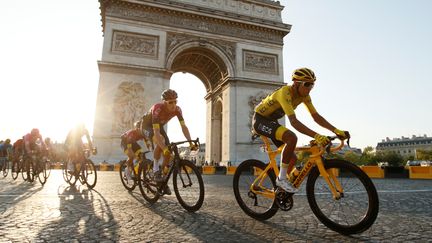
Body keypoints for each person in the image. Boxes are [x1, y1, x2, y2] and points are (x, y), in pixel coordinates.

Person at [252, 67, 350, 193]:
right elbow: (294, 122)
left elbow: (316, 117)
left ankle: (279, 189)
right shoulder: (284, 92)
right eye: (307, 84)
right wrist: (317, 136)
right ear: (296, 84)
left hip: (272, 122)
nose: (309, 88)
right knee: (291, 137)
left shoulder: (305, 96)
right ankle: (281, 179)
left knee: (292, 158)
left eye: (312, 85)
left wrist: (336, 130)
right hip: (260, 120)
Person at [140, 89, 197, 193]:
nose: (173, 105)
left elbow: (184, 127)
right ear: (164, 102)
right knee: (161, 141)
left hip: (158, 126)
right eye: (170, 102)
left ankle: (162, 180)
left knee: (168, 152)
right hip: (146, 126)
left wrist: (190, 142)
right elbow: (156, 133)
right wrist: (163, 147)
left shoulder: (178, 110)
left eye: (175, 101)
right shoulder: (157, 108)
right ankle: (156, 169)